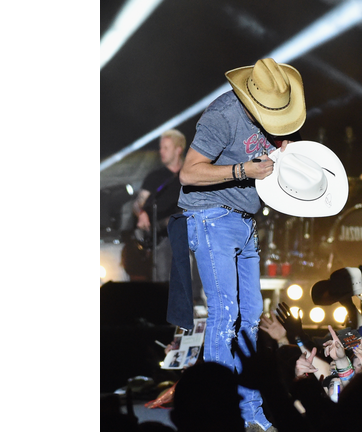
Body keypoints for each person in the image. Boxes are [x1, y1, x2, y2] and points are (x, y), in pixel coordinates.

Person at [176, 57, 306, 432]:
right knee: (225, 313)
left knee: (251, 317)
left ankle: (251, 411)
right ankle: (217, 414)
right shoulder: (222, 114)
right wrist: (242, 171)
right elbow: (188, 173)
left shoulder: (277, 117)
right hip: (211, 216)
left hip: (245, 221)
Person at [131, 129, 187, 282]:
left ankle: (195, 301)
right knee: (162, 279)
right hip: (161, 237)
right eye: (161, 147)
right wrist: (141, 214)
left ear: (178, 149)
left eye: (166, 148)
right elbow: (137, 204)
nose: (161, 151)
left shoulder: (190, 174)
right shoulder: (155, 177)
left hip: (187, 236)